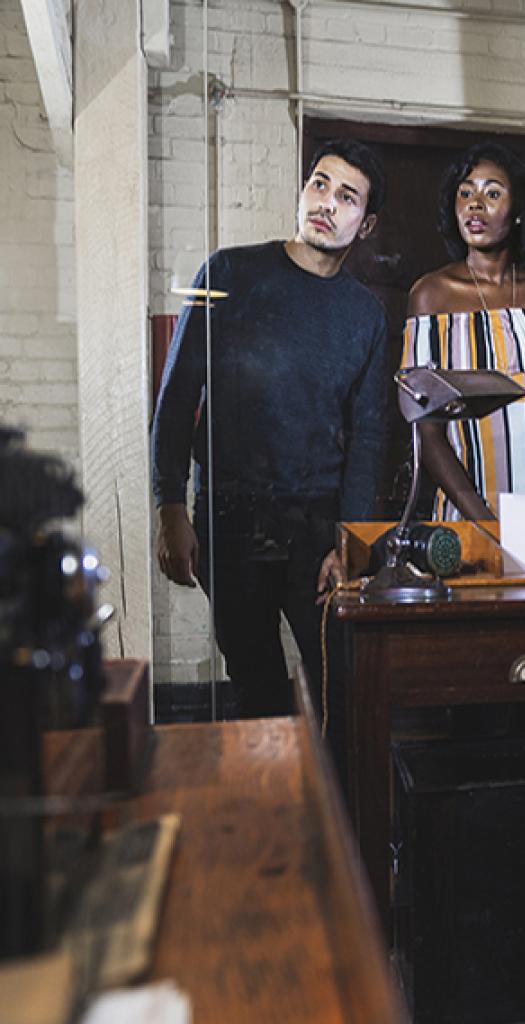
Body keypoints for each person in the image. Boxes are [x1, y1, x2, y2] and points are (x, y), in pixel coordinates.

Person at [152, 138, 390, 719]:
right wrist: (171, 509)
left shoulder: (365, 315)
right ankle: (269, 779)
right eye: (319, 184)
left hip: (317, 524)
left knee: (336, 681)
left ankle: (330, 781)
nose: (326, 203)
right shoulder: (229, 271)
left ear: (366, 225)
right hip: (230, 516)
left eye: (347, 196)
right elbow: (178, 396)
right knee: (254, 684)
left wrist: (350, 541)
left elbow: (369, 437)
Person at [405, 142, 525, 520]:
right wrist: (486, 525)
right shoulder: (430, 296)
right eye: (465, 194)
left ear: (519, 209)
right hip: (468, 518)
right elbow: (428, 434)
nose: (475, 205)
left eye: (492, 193)